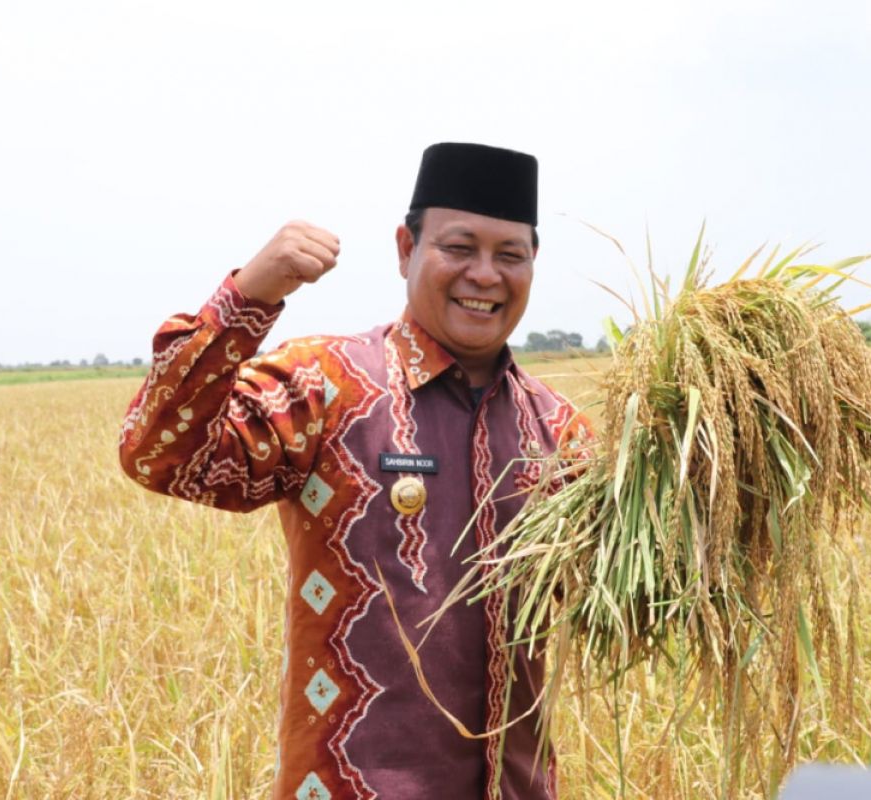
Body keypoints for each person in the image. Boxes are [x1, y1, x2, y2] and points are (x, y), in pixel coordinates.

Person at [119, 142, 590, 800]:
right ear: (406, 248)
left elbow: (635, 596)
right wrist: (249, 296)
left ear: (532, 264)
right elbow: (161, 453)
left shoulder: (559, 432)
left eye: (509, 255)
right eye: (460, 247)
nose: (485, 275)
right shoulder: (324, 387)